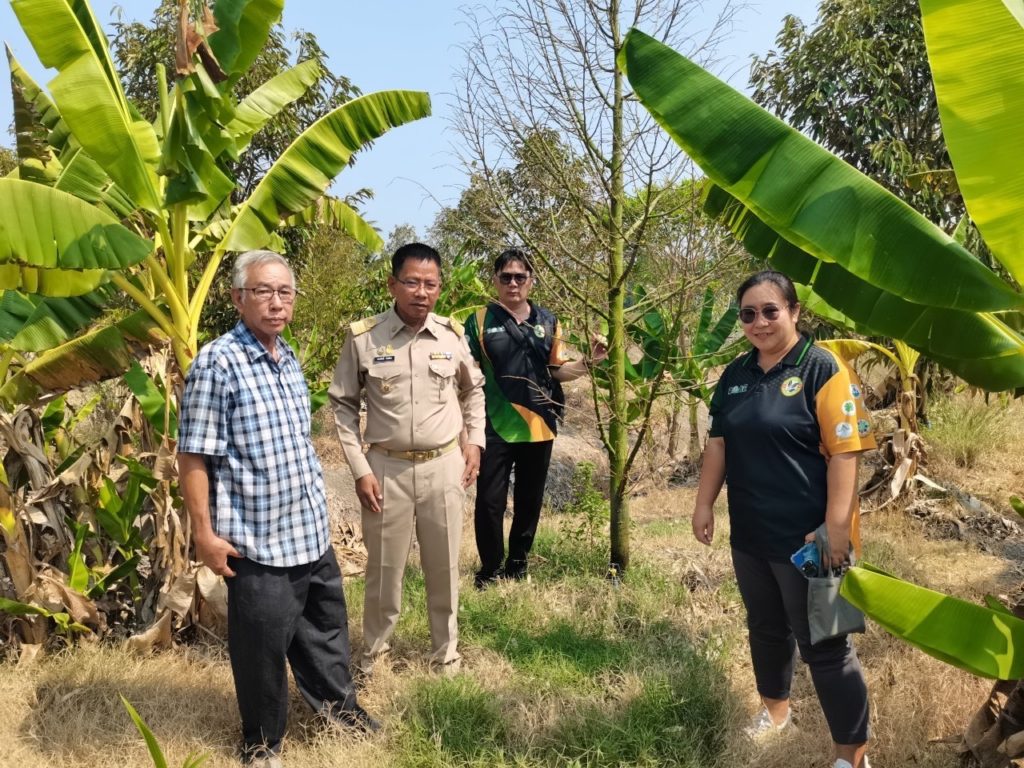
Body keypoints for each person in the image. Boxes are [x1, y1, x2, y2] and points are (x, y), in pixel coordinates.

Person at [178, 250, 377, 768]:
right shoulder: (217, 362)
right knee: (261, 651)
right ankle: (262, 743)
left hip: (309, 533)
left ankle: (341, 713)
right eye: (263, 291)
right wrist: (204, 533)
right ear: (237, 298)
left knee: (327, 632)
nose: (276, 302)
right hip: (257, 540)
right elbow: (193, 454)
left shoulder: (286, 356)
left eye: (285, 292)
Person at [692, 270, 875, 768]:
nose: (759, 322)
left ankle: (851, 755)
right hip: (751, 535)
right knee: (767, 629)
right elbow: (719, 444)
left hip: (813, 538)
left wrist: (837, 528)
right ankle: (776, 713)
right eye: (748, 314)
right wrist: (704, 503)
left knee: (827, 645)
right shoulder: (735, 376)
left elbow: (846, 452)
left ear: (794, 312)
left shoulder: (823, 369)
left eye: (771, 310)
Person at [329, 242, 485, 674]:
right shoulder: (364, 338)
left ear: (439, 288)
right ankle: (375, 654)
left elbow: (474, 390)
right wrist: (359, 469)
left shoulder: (451, 335)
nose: (421, 292)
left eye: (430, 284)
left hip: (443, 465)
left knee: (445, 565)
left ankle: (445, 653)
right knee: (382, 569)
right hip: (385, 469)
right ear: (392, 284)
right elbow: (342, 404)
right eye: (412, 282)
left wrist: (475, 441)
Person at [464, 248, 607, 589]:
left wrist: (590, 361)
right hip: (493, 426)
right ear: (495, 280)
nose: (513, 283)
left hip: (539, 425)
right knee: (489, 502)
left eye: (520, 276)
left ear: (531, 280)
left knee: (530, 502)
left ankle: (518, 564)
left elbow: (557, 370)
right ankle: (490, 570)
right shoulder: (478, 321)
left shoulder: (549, 321)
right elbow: (465, 376)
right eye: (506, 277)